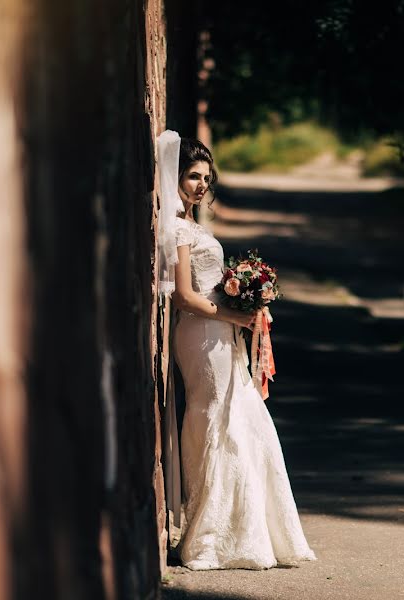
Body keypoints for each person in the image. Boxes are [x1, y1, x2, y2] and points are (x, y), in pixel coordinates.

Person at [164, 135, 316, 570]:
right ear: (175, 177)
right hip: (201, 334)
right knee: (216, 415)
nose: (200, 184)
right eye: (193, 176)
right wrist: (236, 316)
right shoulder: (175, 228)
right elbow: (184, 298)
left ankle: (255, 531)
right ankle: (209, 535)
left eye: (205, 178)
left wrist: (245, 299)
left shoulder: (193, 225)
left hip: (221, 331)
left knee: (243, 413)